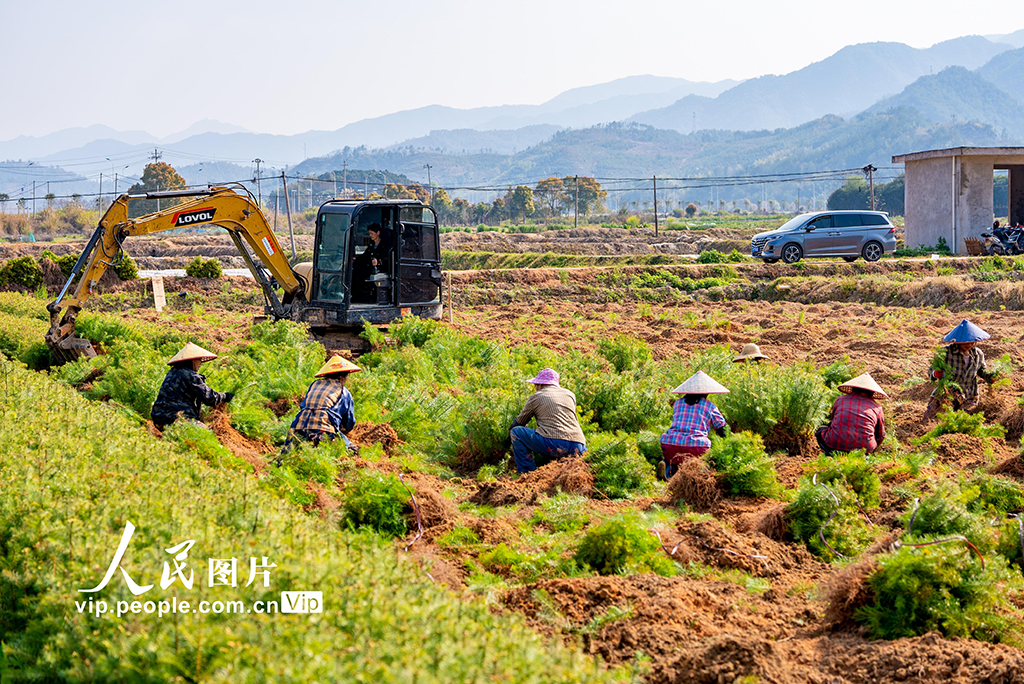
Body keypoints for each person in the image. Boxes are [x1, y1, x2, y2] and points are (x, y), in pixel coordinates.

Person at [509, 368, 587, 473]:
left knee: (516, 432)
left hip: (553, 444)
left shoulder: (536, 397)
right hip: (578, 445)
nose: (536, 388)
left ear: (540, 385)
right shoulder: (570, 394)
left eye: (536, 385)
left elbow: (520, 421)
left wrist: (507, 439)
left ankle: (526, 472)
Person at [658, 371, 729, 480]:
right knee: (701, 459)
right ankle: (696, 473)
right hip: (696, 448)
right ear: (706, 393)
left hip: (670, 444)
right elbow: (722, 428)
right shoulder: (709, 406)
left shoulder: (678, 403)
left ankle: (668, 467)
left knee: (675, 458)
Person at [922, 319, 996, 421]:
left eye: (972, 341)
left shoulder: (978, 354)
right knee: (931, 420)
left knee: (963, 422)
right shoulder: (945, 353)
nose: (969, 344)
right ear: (958, 340)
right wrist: (936, 374)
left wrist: (990, 377)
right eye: (966, 342)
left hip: (969, 395)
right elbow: (931, 370)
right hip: (947, 394)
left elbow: (982, 370)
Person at [151, 342, 232, 430]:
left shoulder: (172, 373)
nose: (200, 362)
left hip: (158, 418)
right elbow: (209, 398)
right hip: (178, 418)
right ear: (192, 360)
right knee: (206, 433)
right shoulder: (191, 376)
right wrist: (225, 396)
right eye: (199, 360)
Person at [288, 355, 361, 449]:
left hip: (300, 429)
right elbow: (349, 421)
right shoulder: (344, 392)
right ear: (342, 376)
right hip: (323, 433)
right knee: (350, 449)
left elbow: (303, 406)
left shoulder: (314, 385)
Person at [815, 373, 887, 457]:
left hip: (836, 444)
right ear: (872, 392)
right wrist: (872, 447)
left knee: (821, 430)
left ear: (853, 388)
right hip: (864, 449)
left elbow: (832, 422)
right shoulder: (877, 407)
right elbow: (880, 435)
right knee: (872, 438)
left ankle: (830, 456)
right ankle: (864, 458)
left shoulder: (840, 400)